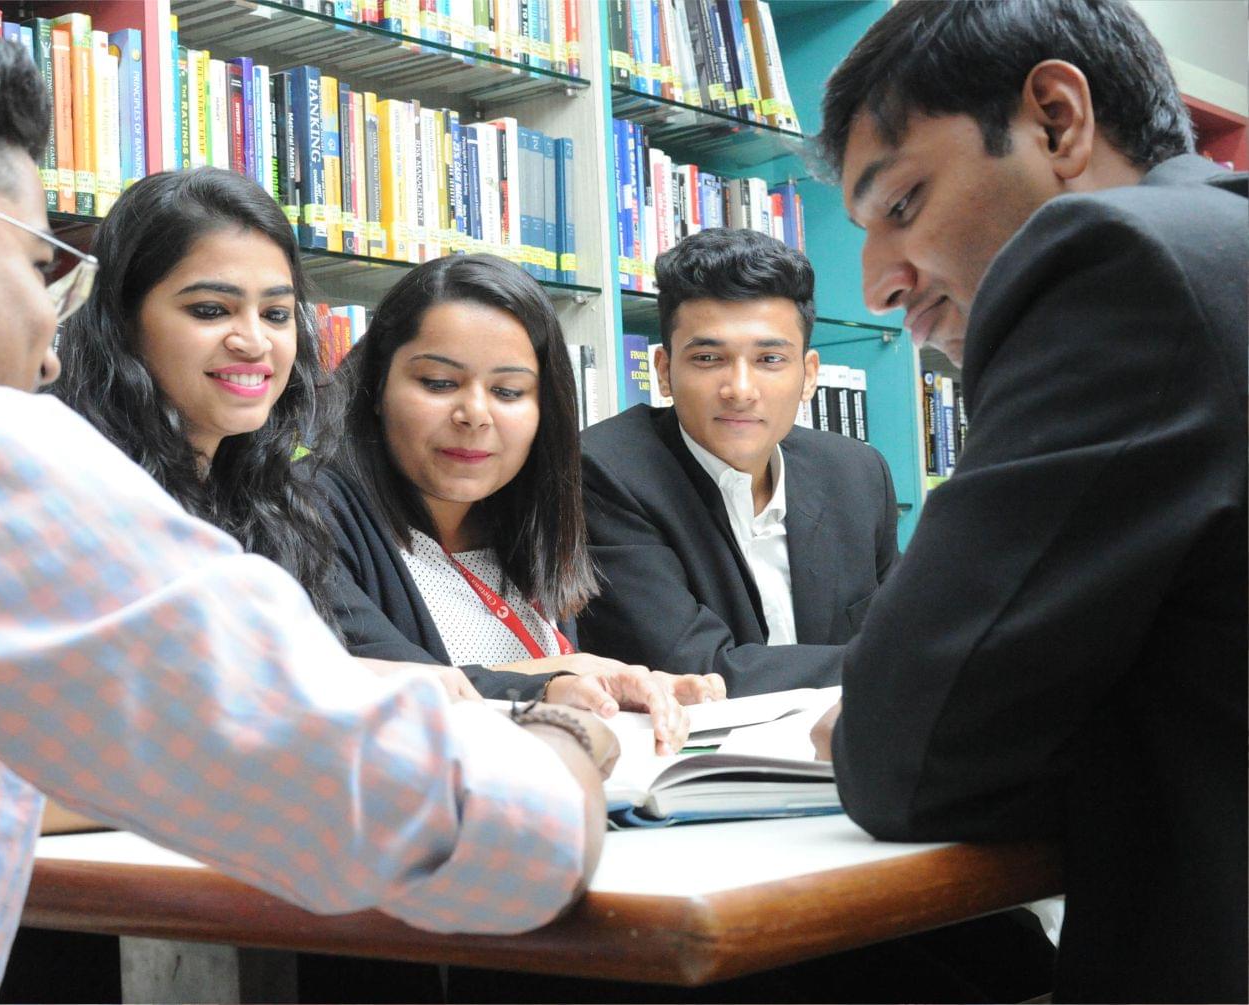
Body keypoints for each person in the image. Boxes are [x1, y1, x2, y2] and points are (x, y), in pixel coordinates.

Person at [0, 4, 617, 1002]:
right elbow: (476, 833)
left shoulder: (270, 494)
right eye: (41, 263)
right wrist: (570, 743)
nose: (47, 331)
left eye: (276, 312)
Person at [810, 1, 1247, 1000]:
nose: (878, 282)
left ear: (1055, 119)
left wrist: (864, 723)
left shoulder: (1119, 264)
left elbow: (904, 755)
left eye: (903, 203)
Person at [53, 167, 484, 707]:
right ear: (120, 318)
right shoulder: (76, 488)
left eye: (277, 313)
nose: (255, 341)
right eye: (211, 310)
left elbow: (372, 662)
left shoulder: (273, 496)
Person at [303, 253, 726, 754]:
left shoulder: (529, 520)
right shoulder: (307, 510)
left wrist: (630, 695)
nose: (475, 414)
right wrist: (557, 677)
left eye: (508, 391)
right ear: (377, 387)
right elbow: (389, 683)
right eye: (438, 383)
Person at [577, 228, 899, 696]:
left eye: (770, 359)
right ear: (664, 372)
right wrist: (896, 663)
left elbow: (907, 627)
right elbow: (697, 672)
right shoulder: (604, 472)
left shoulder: (856, 472)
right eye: (709, 358)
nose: (740, 389)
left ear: (809, 375)